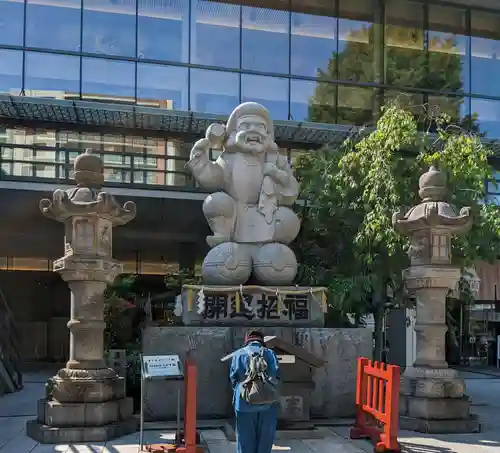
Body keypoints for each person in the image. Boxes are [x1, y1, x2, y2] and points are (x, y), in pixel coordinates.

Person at [230, 330, 281, 453]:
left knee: (244, 440)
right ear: (261, 341)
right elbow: (277, 376)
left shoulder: (239, 354)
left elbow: (233, 378)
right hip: (268, 403)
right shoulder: (270, 353)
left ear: (247, 341)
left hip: (243, 403)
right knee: (265, 440)